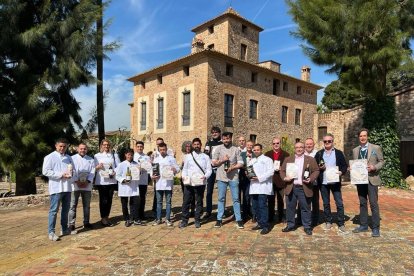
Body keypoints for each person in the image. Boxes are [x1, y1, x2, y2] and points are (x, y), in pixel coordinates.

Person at [280, 142, 319, 235]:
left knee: (305, 208)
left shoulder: (310, 159)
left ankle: (307, 226)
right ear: (294, 148)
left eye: (301, 147)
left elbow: (316, 170)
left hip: (304, 187)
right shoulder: (288, 159)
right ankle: (290, 225)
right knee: (290, 207)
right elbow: (282, 170)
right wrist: (284, 178)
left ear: (304, 148)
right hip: (291, 186)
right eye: (297, 147)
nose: (299, 149)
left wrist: (311, 178)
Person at [352, 128, 384, 237]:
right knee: (362, 203)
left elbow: (382, 161)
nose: (362, 138)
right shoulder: (355, 150)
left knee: (374, 204)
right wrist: (351, 169)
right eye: (360, 136)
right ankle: (364, 225)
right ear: (358, 137)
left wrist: (374, 167)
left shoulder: (376, 148)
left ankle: (375, 228)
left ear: (367, 136)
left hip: (372, 179)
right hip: (360, 180)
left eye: (364, 135)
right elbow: (356, 164)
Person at [314, 134, 348, 233]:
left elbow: (344, 166)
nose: (327, 143)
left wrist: (341, 172)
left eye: (329, 141)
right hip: (323, 182)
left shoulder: (339, 153)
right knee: (326, 203)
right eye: (325, 141)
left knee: (339, 203)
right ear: (323, 142)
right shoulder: (319, 154)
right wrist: (320, 168)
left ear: (333, 141)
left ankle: (341, 223)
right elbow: (315, 167)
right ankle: (328, 220)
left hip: (335, 182)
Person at [42, 138, 74, 241]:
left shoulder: (69, 157)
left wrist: (71, 174)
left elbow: (73, 170)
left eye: (64, 146)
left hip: (67, 188)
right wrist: (60, 175)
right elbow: (45, 171)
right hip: (56, 188)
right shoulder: (50, 157)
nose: (62, 148)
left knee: (65, 210)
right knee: (54, 210)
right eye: (60, 146)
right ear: (56, 146)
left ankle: (64, 229)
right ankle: (51, 232)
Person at [211, 132, 244, 229]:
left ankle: (238, 219)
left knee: (236, 199)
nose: (226, 140)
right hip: (221, 177)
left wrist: (233, 167)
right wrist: (222, 160)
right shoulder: (218, 149)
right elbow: (213, 163)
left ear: (231, 139)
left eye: (228, 138)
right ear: (222, 139)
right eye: (224, 139)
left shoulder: (235, 149)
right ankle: (219, 219)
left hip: (233, 177)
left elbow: (241, 163)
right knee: (221, 198)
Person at [179, 138, 212, 228]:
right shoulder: (188, 157)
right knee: (186, 202)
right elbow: (185, 169)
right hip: (189, 183)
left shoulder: (206, 157)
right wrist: (184, 176)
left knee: (199, 202)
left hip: (200, 182)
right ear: (193, 145)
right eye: (195, 144)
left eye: (198, 144)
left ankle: (197, 219)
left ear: (201, 145)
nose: (196, 146)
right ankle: (184, 220)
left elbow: (209, 170)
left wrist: (205, 176)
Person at [151, 142, 180, 226]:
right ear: (159, 150)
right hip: (159, 183)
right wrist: (152, 176)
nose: (162, 151)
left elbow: (178, 169)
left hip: (168, 183)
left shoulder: (171, 159)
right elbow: (152, 171)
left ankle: (167, 219)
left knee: (168, 202)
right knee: (159, 202)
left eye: (164, 149)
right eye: (161, 150)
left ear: (166, 149)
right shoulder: (156, 159)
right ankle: (158, 219)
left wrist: (175, 170)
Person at [68, 143, 95, 233]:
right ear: (77, 149)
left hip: (87, 186)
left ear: (87, 150)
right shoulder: (72, 158)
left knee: (87, 206)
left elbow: (92, 172)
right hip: (75, 185)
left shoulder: (90, 159)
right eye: (81, 149)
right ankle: (71, 224)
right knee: (72, 206)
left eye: (84, 149)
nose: (83, 150)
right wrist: (77, 181)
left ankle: (86, 222)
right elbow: (71, 171)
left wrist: (87, 181)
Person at [94, 139, 120, 227]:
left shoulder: (114, 155)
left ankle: (107, 216)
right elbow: (93, 168)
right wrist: (97, 167)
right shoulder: (97, 156)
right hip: (101, 181)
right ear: (101, 146)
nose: (106, 146)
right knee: (103, 200)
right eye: (104, 145)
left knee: (109, 200)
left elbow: (118, 166)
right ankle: (103, 218)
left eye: (108, 145)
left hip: (111, 180)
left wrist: (114, 171)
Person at [248, 144, 274, 235]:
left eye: (257, 150)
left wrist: (259, 177)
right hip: (254, 187)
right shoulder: (252, 161)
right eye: (254, 150)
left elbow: (271, 172)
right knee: (255, 206)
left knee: (262, 205)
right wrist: (248, 175)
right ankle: (259, 223)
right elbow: (249, 171)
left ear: (261, 150)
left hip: (263, 186)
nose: (256, 151)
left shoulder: (267, 160)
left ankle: (265, 225)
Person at [264, 137, 290, 223]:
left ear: (280, 144)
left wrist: (281, 168)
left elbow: (289, 167)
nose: (276, 145)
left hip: (281, 180)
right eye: (274, 143)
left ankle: (281, 216)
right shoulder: (267, 154)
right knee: (270, 200)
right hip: (270, 181)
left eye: (278, 143)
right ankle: (270, 216)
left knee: (280, 200)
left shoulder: (286, 154)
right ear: (272, 144)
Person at [296, 137, 319, 227]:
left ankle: (314, 220)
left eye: (310, 144)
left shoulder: (318, 153)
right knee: (302, 201)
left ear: (313, 145)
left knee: (315, 201)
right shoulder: (300, 153)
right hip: (303, 183)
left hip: (315, 182)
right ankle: (300, 220)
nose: (309, 145)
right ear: (304, 146)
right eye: (307, 144)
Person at [202, 126, 223, 220]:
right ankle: (208, 211)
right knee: (209, 191)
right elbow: (205, 155)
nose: (214, 134)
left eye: (216, 132)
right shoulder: (209, 143)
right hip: (210, 168)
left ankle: (221, 211)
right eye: (213, 132)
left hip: (220, 168)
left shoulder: (222, 143)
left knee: (221, 191)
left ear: (219, 133)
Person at [116, 149, 141, 227]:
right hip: (124, 187)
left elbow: (138, 175)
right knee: (124, 204)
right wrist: (123, 180)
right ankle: (126, 219)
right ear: (125, 155)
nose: (130, 156)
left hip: (133, 186)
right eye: (128, 154)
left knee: (135, 203)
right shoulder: (121, 164)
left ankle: (134, 218)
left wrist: (139, 171)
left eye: (131, 155)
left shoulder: (136, 164)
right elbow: (117, 175)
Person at [133, 141, 151, 222]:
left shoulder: (147, 157)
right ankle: (135, 216)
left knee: (143, 198)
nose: (140, 148)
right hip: (135, 181)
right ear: (136, 147)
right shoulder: (133, 156)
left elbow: (150, 168)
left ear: (143, 147)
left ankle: (141, 214)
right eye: (138, 146)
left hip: (143, 180)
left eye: (141, 146)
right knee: (136, 198)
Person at [240, 140, 254, 221]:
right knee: (245, 195)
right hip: (244, 177)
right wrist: (244, 168)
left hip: (253, 178)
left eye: (251, 145)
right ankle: (245, 213)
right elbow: (239, 163)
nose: (249, 146)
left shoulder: (255, 154)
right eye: (248, 145)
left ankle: (252, 212)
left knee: (251, 196)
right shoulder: (242, 154)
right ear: (246, 145)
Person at [180, 141, 195, 217]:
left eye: (189, 146)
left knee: (193, 194)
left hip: (192, 177)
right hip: (184, 178)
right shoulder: (182, 155)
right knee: (185, 194)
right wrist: (181, 165)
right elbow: (180, 167)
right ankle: (186, 210)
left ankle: (193, 210)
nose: (188, 148)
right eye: (186, 146)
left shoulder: (193, 155)